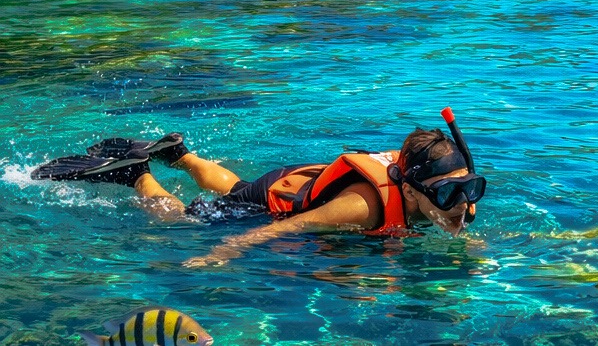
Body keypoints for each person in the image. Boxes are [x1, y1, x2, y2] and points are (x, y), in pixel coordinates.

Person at [31, 108, 486, 266]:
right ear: (409, 192)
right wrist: (224, 251)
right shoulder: (362, 207)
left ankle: (179, 154)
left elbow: (456, 211)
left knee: (236, 185)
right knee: (185, 220)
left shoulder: (438, 183)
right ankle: (136, 173)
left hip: (296, 178)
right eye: (448, 196)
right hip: (278, 205)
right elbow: (287, 229)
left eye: (470, 191)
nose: (461, 207)